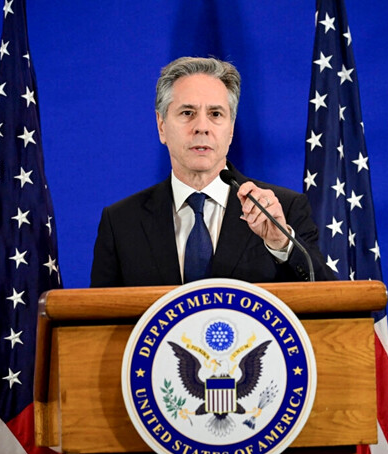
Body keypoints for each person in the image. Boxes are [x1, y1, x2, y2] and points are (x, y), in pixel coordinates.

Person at [90, 56, 333, 287]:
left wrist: (281, 243)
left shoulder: (283, 211)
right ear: (161, 125)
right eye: (187, 113)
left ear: (231, 129)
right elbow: (97, 323)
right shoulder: (121, 222)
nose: (202, 127)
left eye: (216, 114)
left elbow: (328, 302)